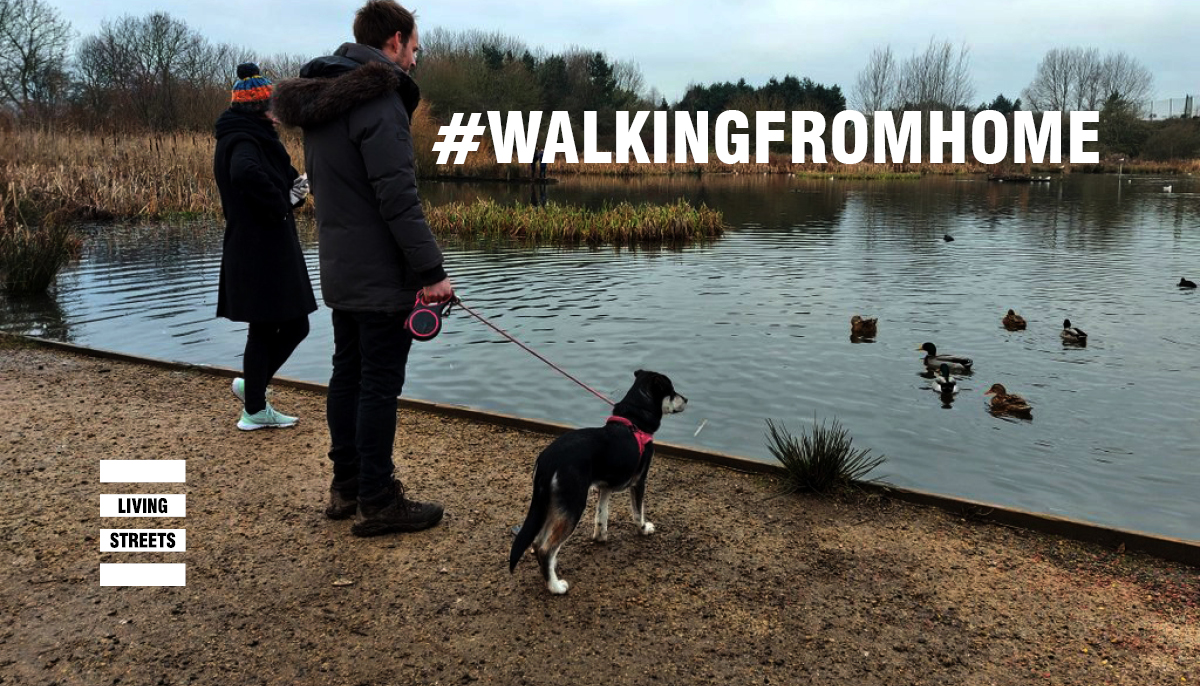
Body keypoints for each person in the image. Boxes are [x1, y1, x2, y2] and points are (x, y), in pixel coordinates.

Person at [273, 0, 454, 537]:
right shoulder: (380, 101)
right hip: (379, 276)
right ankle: (378, 498)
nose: (415, 62)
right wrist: (432, 272)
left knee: (347, 375)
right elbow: (398, 198)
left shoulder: (323, 103)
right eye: (415, 49)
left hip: (342, 270)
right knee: (377, 384)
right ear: (395, 41)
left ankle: (346, 485)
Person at [213, 63, 317, 431]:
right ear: (260, 108)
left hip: (259, 246)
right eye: (272, 105)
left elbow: (267, 175)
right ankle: (254, 406)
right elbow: (245, 173)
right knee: (284, 326)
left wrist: (293, 192)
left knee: (278, 326)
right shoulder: (244, 139)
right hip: (261, 249)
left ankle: (251, 391)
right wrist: (282, 201)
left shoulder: (248, 134)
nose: (277, 111)